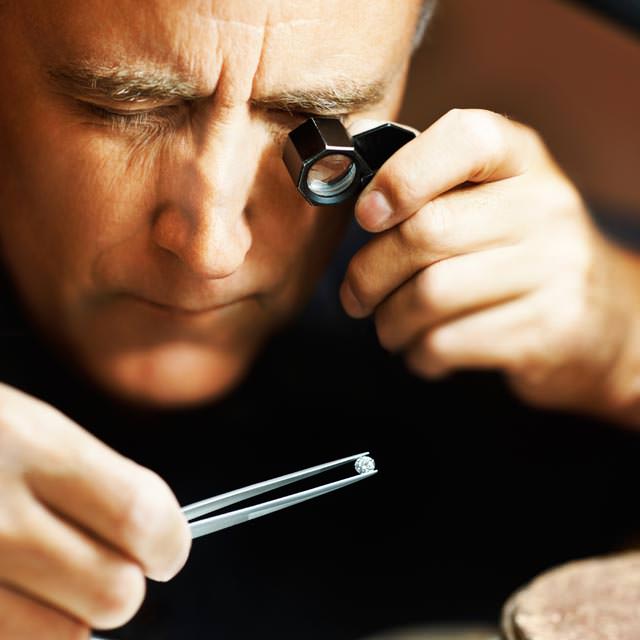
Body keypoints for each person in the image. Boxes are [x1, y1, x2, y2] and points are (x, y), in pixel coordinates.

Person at [0, 0, 639, 638]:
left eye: (315, 117)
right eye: (124, 108)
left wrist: (623, 351)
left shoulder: (499, 291)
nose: (212, 251)